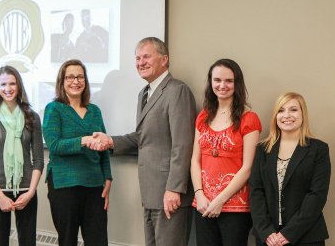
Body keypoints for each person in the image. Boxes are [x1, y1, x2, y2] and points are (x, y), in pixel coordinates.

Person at [94, 37, 196, 246]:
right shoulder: (144, 93)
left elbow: (182, 144)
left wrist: (174, 189)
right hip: (150, 192)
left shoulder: (177, 90)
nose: (140, 62)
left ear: (164, 59)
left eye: (146, 56)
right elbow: (143, 137)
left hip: (170, 193)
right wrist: (110, 141)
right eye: (137, 58)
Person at [190, 58, 261, 246]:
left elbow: (248, 167)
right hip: (203, 203)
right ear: (211, 82)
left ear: (237, 83)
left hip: (235, 207)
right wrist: (199, 194)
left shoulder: (249, 119)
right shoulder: (203, 116)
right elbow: (195, 160)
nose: (222, 85)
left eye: (229, 81)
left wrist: (220, 200)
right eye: (217, 80)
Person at [42, 59, 112, 246]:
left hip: (94, 185)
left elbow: (104, 148)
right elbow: (54, 145)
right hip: (64, 186)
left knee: (98, 241)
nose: (76, 81)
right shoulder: (54, 109)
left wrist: (108, 178)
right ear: (62, 81)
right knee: (67, 241)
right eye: (70, 77)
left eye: (80, 77)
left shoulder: (94, 111)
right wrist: (85, 140)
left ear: (85, 81)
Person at [250, 92, 331, 246]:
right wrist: (266, 232)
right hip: (268, 238)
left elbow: (317, 195)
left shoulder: (319, 149)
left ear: (303, 114)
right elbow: (256, 192)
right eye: (281, 110)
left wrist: (289, 233)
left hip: (307, 236)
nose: (286, 115)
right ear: (275, 116)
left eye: (293, 109)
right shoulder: (262, 149)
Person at [0, 66, 44, 246]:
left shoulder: (32, 117)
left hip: (26, 191)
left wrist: (30, 192)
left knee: (28, 242)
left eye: (12, 83)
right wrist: (0, 196)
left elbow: (38, 159)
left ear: (19, 86)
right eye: (4, 84)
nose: (8, 88)